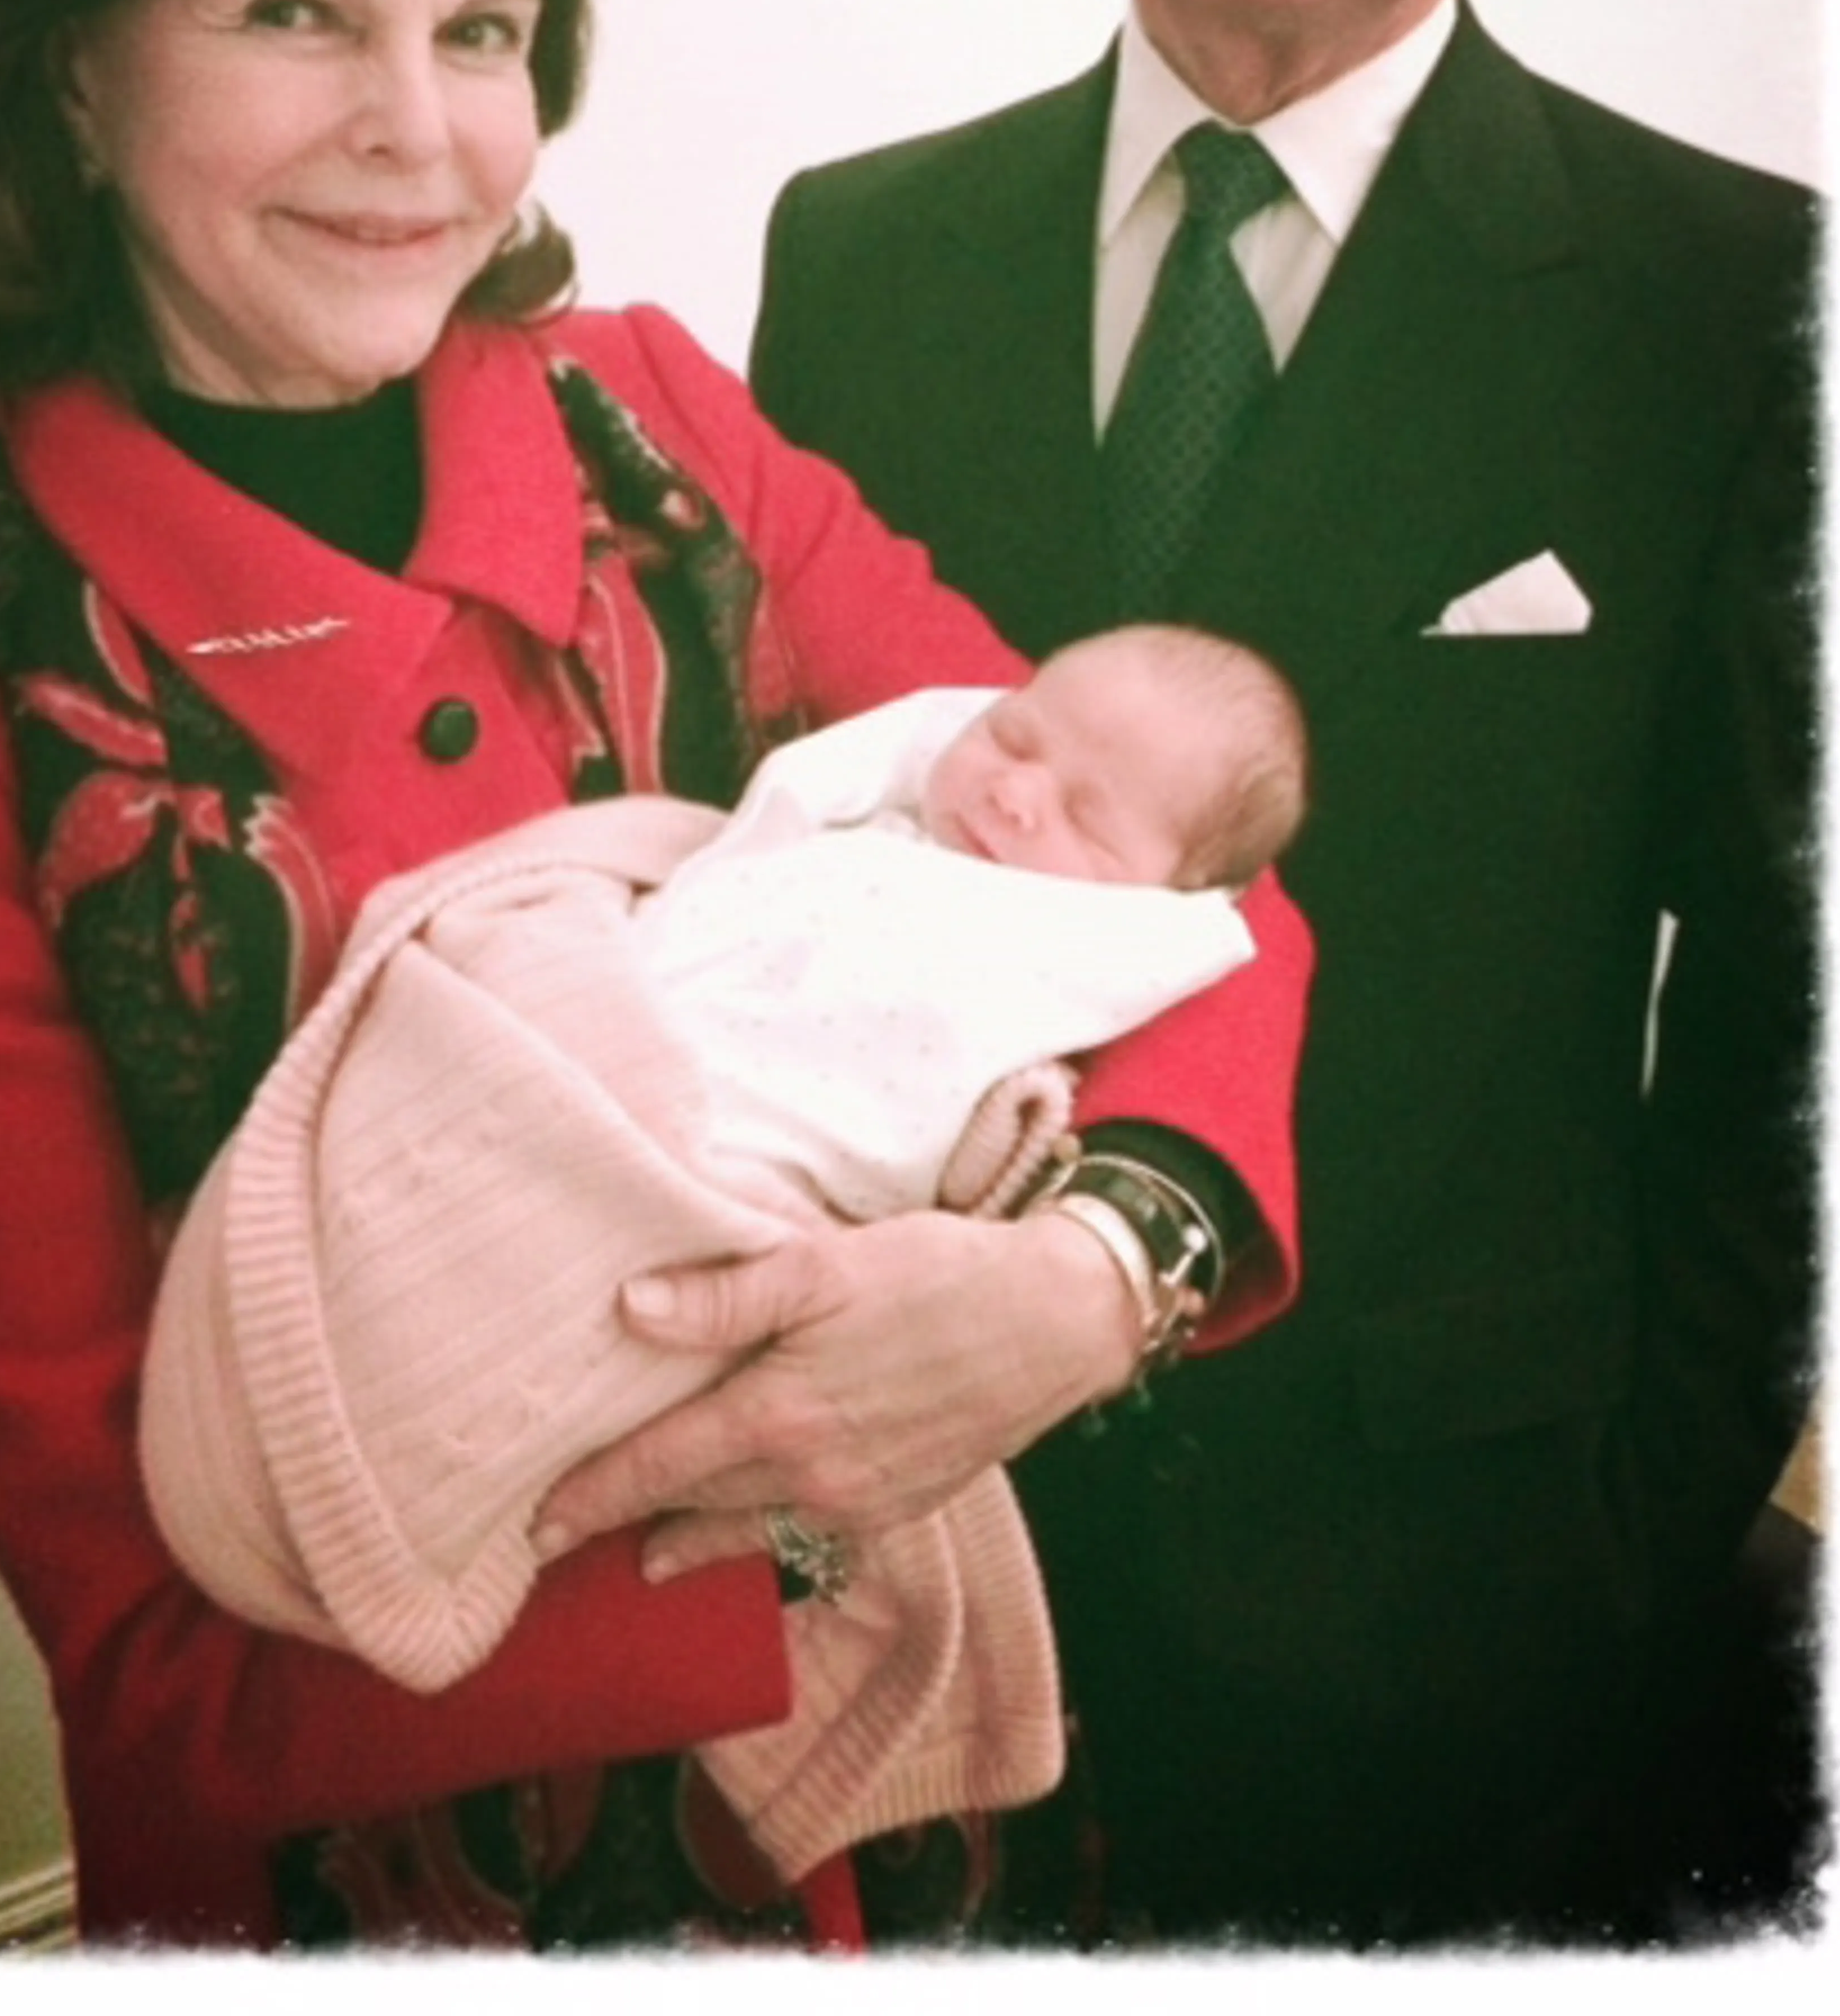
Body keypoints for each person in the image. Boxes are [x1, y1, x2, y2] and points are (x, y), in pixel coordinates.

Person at [0, 0, 1313, 1952]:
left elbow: (1172, 879)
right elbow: (154, 1648)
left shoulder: (657, 422)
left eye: (484, 30)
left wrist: (1091, 1284)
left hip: (908, 1852)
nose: (418, 132)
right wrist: (802, 1492)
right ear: (72, 58)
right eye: (296, 12)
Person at [543, 0, 1824, 1942]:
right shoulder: (859, 252)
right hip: (895, 1587)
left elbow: (1805, 1012)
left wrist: (1634, 1524)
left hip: (1463, 1625)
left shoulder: (1738, 307)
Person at [136, 624, 1308, 1890]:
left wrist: (1104, 1261)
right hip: (327, 1734)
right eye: (1012, 736)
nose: (1018, 791)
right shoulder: (901, 810)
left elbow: (1251, 937)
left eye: (1084, 817)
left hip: (721, 1262)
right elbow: (148, 1669)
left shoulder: (1079, 931)